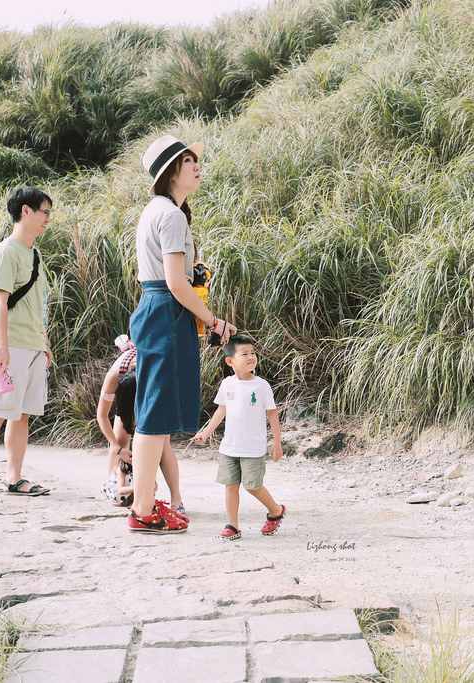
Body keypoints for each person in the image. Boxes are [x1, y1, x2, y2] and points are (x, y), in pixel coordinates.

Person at [127, 134, 236, 533]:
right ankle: (143, 510)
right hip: (166, 311)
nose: (196, 165)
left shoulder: (155, 210)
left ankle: (143, 503)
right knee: (154, 416)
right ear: (171, 171)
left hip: (154, 308)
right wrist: (213, 321)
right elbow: (176, 282)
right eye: (188, 160)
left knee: (152, 413)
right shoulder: (171, 215)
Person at [0, 187, 54, 501]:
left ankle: (14, 478)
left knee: (22, 415)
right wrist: (2, 346)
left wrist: (44, 342)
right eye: (45, 212)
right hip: (9, 347)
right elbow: (0, 302)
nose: (48, 219)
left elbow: (38, 303)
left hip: (32, 346)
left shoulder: (34, 254)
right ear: (26, 211)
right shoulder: (6, 251)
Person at [191, 334, 285, 539]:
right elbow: (221, 411)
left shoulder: (261, 385)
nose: (251, 357)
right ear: (230, 361)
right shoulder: (227, 384)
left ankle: (276, 510)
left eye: (253, 353)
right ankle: (232, 525)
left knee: (253, 486)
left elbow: (272, 413)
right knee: (230, 486)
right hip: (229, 447)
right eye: (244, 354)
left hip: (253, 448)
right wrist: (205, 433)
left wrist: (277, 442)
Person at [95, 337, 185, 515]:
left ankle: (176, 498)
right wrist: (116, 447)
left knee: (163, 444)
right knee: (119, 440)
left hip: (156, 394)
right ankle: (116, 489)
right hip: (132, 389)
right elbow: (102, 415)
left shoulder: (160, 378)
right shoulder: (114, 378)